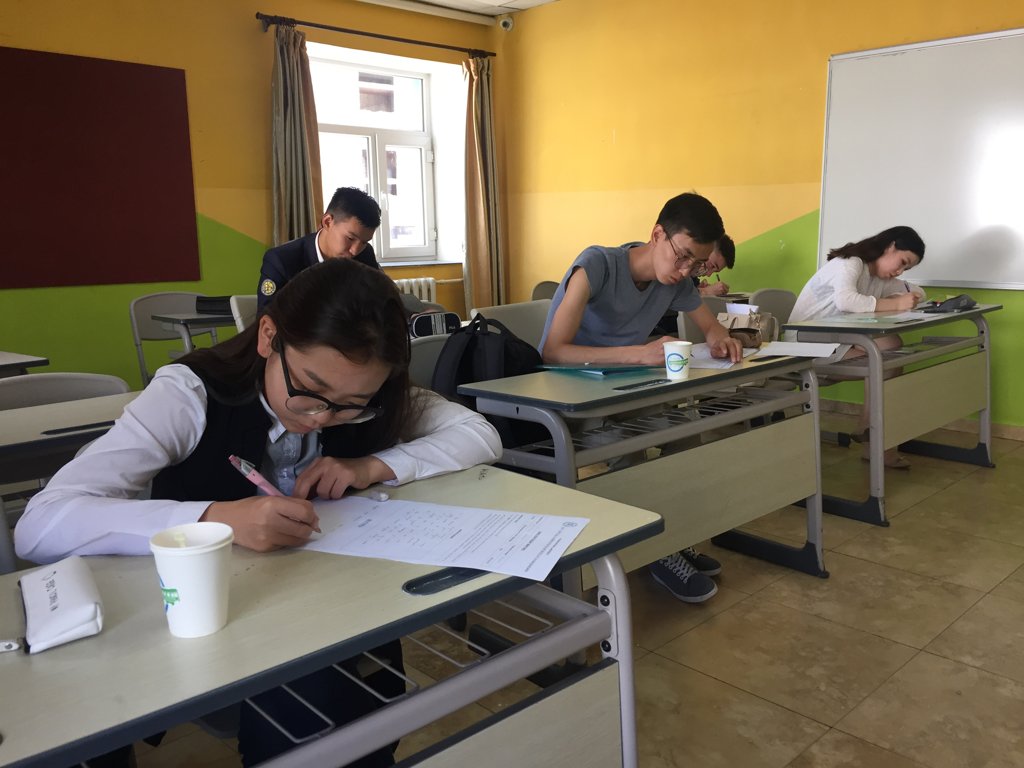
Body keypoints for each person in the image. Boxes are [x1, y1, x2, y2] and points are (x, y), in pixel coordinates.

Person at [16, 259, 502, 767]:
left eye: (349, 404)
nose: (321, 416)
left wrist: (372, 465)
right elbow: (40, 524)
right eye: (310, 389)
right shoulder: (190, 395)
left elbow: (479, 434)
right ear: (269, 337)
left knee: (359, 721)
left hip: (330, 607)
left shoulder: (373, 394)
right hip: (209, 616)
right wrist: (217, 519)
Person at [538, 192, 743, 604]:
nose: (686, 271)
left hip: (621, 390)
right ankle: (654, 551)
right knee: (630, 447)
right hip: (568, 398)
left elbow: (710, 325)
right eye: (683, 257)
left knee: (685, 430)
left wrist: (722, 339)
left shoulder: (675, 283)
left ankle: (672, 536)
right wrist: (640, 353)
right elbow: (553, 351)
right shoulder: (597, 265)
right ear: (657, 234)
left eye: (697, 265)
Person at [788, 225, 926, 468]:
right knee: (883, 360)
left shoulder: (878, 278)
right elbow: (846, 300)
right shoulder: (851, 263)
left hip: (835, 341)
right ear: (890, 246)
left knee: (893, 345)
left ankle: (870, 432)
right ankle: (872, 436)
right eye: (902, 262)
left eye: (906, 269)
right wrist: (895, 305)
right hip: (805, 345)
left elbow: (917, 291)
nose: (899, 271)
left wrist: (904, 296)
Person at [257, 187, 382, 312]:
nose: (355, 250)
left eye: (364, 242)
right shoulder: (281, 261)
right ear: (327, 222)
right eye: (350, 238)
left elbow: (378, 306)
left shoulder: (365, 255)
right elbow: (267, 319)